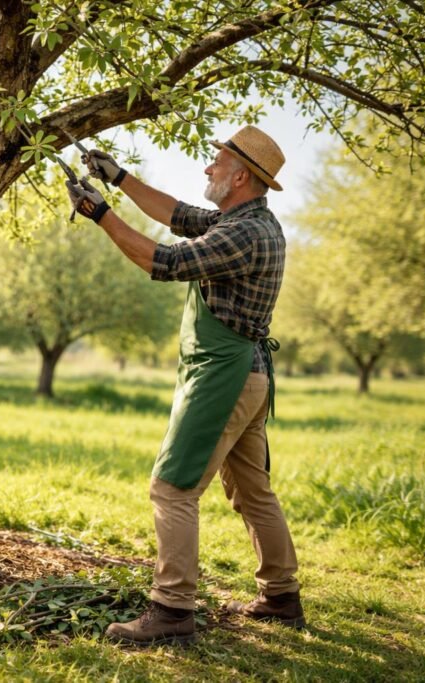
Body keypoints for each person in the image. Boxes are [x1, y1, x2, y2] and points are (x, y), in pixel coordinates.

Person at [66, 125, 304, 646]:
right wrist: (119, 177)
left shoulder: (243, 234)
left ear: (240, 176)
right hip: (246, 374)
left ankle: (172, 611)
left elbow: (165, 260)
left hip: (226, 376)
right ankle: (282, 597)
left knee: (171, 488)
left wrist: (99, 214)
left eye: (216, 162)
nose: (207, 168)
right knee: (252, 490)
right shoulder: (243, 218)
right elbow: (176, 214)